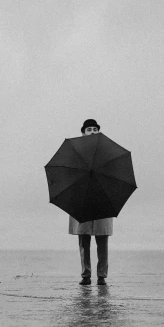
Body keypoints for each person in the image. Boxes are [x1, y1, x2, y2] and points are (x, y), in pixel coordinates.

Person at [69, 119, 112, 285]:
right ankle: (85, 275)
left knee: (102, 240)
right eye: (89, 129)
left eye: (95, 129)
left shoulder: (106, 152)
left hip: (102, 199)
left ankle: (102, 276)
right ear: (83, 132)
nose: (92, 132)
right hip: (82, 199)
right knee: (84, 240)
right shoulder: (76, 152)